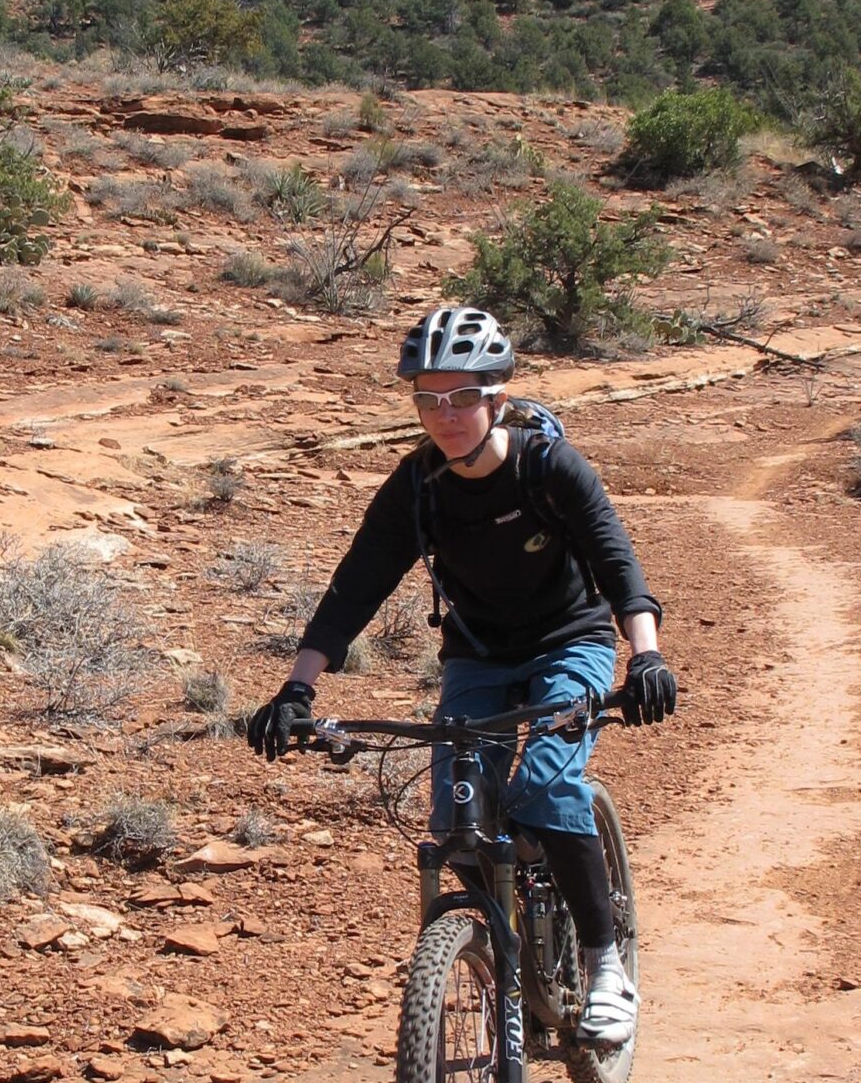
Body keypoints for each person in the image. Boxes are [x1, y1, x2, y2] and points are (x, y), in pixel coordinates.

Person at [245, 304, 676, 1044]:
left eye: (463, 396)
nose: (445, 414)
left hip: (568, 641)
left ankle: (606, 964)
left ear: (497, 397)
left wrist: (646, 654)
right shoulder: (417, 487)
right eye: (428, 398)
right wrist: (298, 687)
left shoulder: (548, 466)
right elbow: (355, 587)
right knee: (458, 817)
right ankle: (500, 970)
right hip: (477, 655)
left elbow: (617, 563)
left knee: (543, 784)